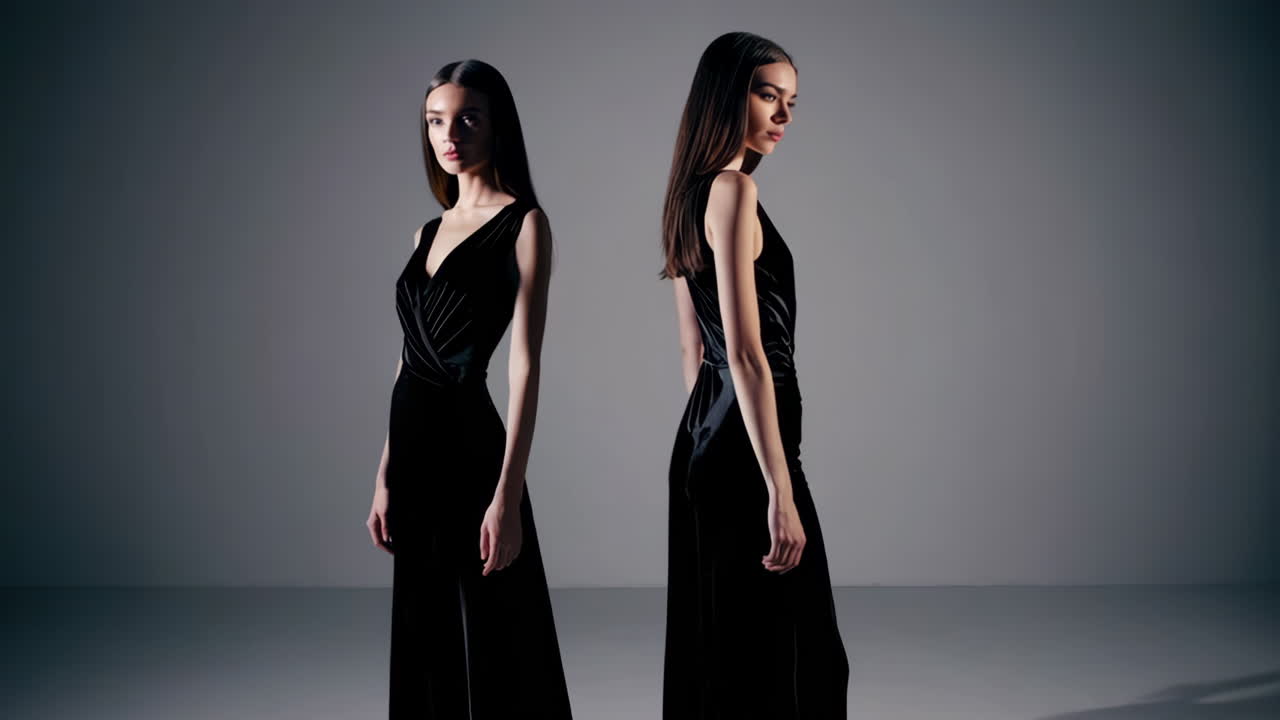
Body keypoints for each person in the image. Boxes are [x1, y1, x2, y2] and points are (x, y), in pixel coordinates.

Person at [366, 59, 573, 719]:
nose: (449, 134)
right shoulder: (425, 232)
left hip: (470, 448)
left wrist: (507, 495)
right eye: (435, 121)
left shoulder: (525, 224)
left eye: (467, 118)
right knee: (425, 622)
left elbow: (526, 365)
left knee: (492, 624)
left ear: (496, 126)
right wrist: (383, 474)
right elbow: (407, 359)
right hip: (415, 447)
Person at [661, 32, 850, 719]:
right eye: (767, 94)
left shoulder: (683, 196)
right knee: (804, 651)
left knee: (728, 641)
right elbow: (744, 353)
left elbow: (694, 355)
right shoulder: (735, 190)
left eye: (791, 100)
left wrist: (708, 447)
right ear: (724, 94)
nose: (784, 115)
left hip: (707, 439)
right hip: (749, 446)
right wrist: (777, 485)